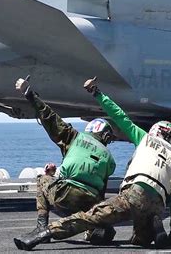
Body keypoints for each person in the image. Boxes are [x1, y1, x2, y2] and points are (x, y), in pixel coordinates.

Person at [13, 77, 171, 250]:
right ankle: (153, 224)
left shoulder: (144, 138)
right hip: (157, 203)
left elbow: (119, 116)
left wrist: (96, 92)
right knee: (140, 241)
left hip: (132, 193)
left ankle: (43, 231)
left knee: (88, 216)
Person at [15, 77, 118, 244]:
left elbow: (49, 117)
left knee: (42, 179)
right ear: (105, 136)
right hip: (89, 203)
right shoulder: (109, 159)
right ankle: (95, 230)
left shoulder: (74, 137)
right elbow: (102, 192)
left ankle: (42, 226)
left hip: (64, 196)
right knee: (106, 228)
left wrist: (29, 93)